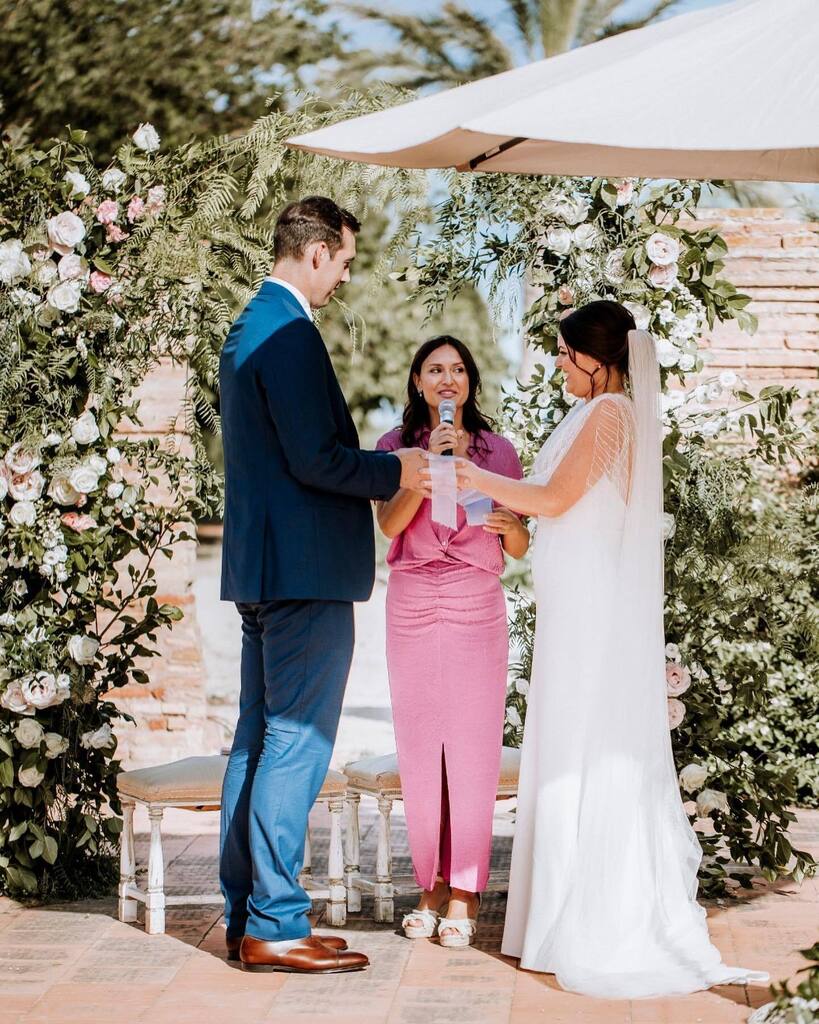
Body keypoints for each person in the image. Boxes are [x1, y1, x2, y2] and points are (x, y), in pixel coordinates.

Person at [451, 301, 769, 997]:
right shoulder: (585, 414)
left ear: (597, 360)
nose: (559, 364)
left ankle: (589, 917)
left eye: (566, 354)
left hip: (593, 609)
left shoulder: (610, 414)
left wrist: (475, 479)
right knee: (567, 741)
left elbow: (558, 497)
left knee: (584, 743)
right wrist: (513, 514)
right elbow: (560, 506)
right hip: (573, 602)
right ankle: (551, 917)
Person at [218, 196, 427, 974]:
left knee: (257, 739)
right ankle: (276, 921)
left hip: (260, 569)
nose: (342, 275)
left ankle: (249, 915)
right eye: (341, 260)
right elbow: (317, 460)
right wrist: (396, 470)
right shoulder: (291, 333)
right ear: (315, 253)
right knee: (297, 744)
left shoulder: (247, 327)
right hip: (302, 573)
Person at [375, 336, 529, 947]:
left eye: (457, 369)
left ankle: (464, 892)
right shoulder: (393, 448)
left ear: (470, 383)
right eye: (435, 369)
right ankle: (428, 886)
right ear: (417, 381)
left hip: (475, 600)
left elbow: (515, 548)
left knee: (470, 751)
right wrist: (425, 466)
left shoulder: (498, 451)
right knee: (421, 751)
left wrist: (512, 524)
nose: (447, 379)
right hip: (411, 601)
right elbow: (386, 524)